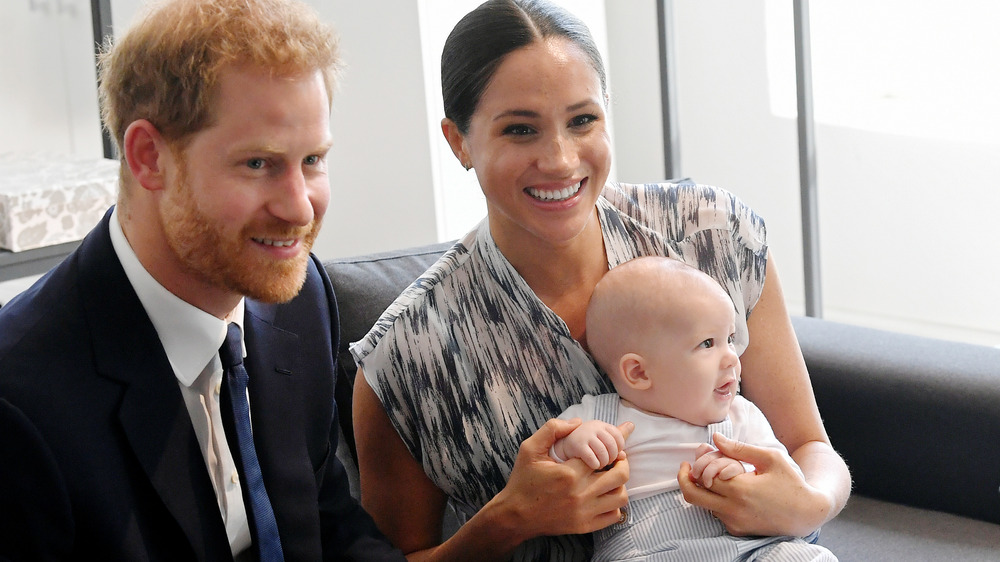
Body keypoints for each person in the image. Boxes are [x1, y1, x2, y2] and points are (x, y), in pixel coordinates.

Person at [351, 0, 851, 559]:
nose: (561, 161)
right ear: (459, 142)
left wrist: (809, 504)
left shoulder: (711, 233)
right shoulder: (407, 355)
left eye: (582, 120)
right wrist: (509, 520)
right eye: (520, 130)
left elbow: (811, 445)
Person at [0, 0, 404, 559]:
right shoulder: (20, 400)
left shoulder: (299, 298)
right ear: (149, 158)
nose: (299, 209)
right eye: (258, 164)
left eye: (312, 160)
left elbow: (328, 523)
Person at [550, 256, 837, 561]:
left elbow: (788, 484)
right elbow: (543, 469)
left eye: (729, 339)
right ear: (638, 373)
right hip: (646, 553)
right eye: (707, 344)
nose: (731, 358)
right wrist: (572, 444)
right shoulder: (598, 418)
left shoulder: (741, 417)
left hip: (751, 549)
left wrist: (744, 473)